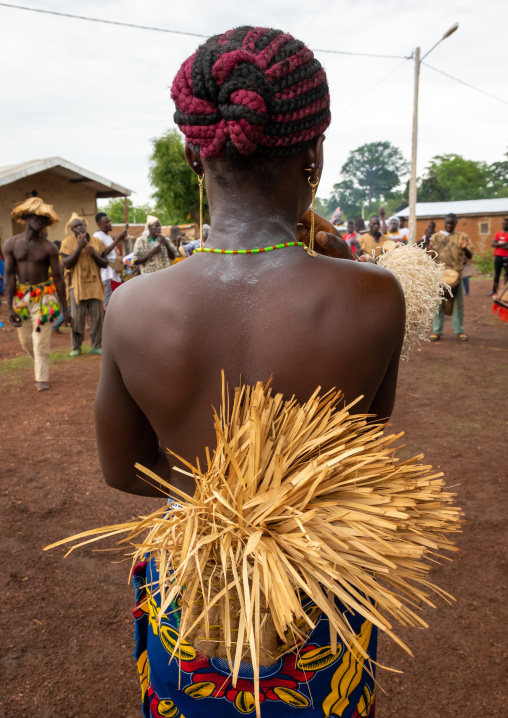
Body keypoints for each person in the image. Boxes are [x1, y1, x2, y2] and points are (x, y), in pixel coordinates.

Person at [95, 27, 407, 718]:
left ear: (190, 150)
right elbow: (360, 443)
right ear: (315, 154)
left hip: (193, 590)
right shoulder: (375, 297)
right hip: (321, 584)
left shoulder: (132, 308)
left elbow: (123, 470)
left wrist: (205, 497)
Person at [4, 197, 71, 390]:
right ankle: (39, 364)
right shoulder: (11, 244)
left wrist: (65, 310)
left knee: (40, 338)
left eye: (44, 218)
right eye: (37, 217)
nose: (41, 221)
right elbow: (9, 276)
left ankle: (41, 378)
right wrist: (9, 308)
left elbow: (58, 278)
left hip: (45, 298)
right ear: (27, 217)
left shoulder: (49, 247)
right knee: (26, 341)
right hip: (21, 297)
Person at [61, 213, 108, 356]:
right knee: (77, 318)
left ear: (85, 225)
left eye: (80, 225)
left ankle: (96, 345)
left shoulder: (97, 242)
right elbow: (67, 264)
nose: (79, 228)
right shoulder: (67, 243)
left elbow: (105, 263)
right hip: (77, 285)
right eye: (75, 227)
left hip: (95, 285)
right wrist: (79, 247)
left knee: (97, 317)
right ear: (72, 230)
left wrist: (93, 254)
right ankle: (76, 347)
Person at [429, 213, 473, 341]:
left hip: (456, 276)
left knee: (458, 304)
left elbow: (469, 256)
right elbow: (431, 255)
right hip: (439, 275)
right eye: (447, 223)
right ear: (444, 222)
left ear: (456, 223)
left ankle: (459, 330)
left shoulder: (462, 237)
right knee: (438, 304)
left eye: (452, 223)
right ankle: (436, 331)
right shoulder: (436, 237)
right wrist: (430, 253)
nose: (449, 225)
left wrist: (465, 249)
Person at [93, 212, 127, 309]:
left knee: (118, 301)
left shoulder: (107, 236)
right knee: (109, 303)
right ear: (99, 224)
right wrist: (118, 239)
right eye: (106, 222)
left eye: (109, 221)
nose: (109, 223)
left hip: (114, 274)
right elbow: (102, 253)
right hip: (106, 274)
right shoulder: (97, 236)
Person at [490, 217, 508, 296]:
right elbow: (493, 244)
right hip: (497, 257)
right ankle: (494, 290)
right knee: (496, 274)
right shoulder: (498, 233)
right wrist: (504, 243)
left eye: (506, 224)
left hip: (506, 257)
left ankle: (506, 292)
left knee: (507, 275)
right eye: (503, 224)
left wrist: (498, 244)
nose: (504, 225)